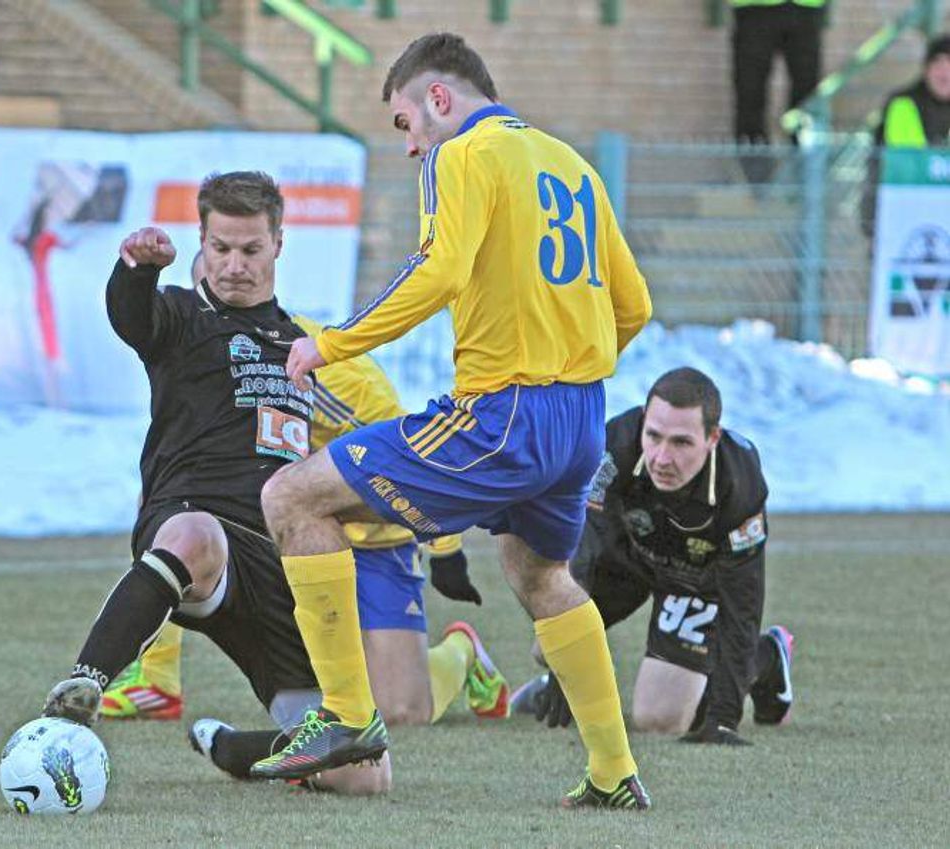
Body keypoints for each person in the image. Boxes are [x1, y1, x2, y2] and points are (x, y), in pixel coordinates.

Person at [251, 33, 655, 811]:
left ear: (439, 98)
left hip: (502, 414)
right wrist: (567, 360)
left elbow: (437, 269)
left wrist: (333, 342)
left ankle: (347, 715)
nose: (410, 147)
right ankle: (613, 771)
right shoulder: (571, 163)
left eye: (405, 123)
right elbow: (632, 305)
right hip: (580, 419)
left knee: (291, 497)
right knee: (540, 574)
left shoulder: (461, 153)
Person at [38, 171, 390, 795]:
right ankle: (82, 688)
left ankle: (234, 749)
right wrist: (136, 270)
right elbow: (131, 317)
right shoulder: (180, 314)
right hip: (192, 528)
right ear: (202, 241)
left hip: (275, 562)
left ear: (278, 243)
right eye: (221, 247)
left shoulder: (300, 346)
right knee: (197, 534)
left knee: (363, 775)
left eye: (250, 249)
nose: (234, 265)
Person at [100, 254, 512, 735]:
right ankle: (157, 679)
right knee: (174, 506)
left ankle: (461, 653)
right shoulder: (196, 352)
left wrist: (446, 549)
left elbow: (412, 453)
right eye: (197, 301)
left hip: (371, 539)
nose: (203, 314)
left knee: (399, 710)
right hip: (282, 534)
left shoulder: (322, 368)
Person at [510, 368, 795, 746]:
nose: (662, 457)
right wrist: (568, 664)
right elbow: (581, 549)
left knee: (660, 718)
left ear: (712, 438)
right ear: (643, 423)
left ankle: (768, 656)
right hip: (628, 562)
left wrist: (723, 720)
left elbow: (741, 603)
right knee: (547, 633)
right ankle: (556, 680)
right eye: (654, 436)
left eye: (681, 443)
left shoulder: (740, 484)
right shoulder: (614, 446)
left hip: (694, 582)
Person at [860, 35, 950, 237]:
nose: (945, 72)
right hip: (905, 215)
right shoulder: (903, 104)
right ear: (926, 69)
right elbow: (900, 164)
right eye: (938, 64)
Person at [731, 0, 826, 183]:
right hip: (754, 9)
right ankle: (754, 176)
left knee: (807, 100)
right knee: (749, 94)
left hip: (805, 9)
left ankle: (803, 171)